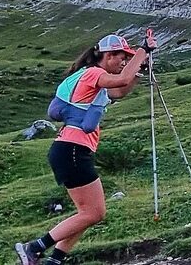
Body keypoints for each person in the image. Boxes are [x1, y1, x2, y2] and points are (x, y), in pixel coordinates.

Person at [15, 33, 156, 265]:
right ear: (108, 55)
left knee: (88, 214)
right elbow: (121, 80)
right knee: (94, 213)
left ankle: (53, 261)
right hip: (72, 150)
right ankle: (33, 248)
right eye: (122, 58)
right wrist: (143, 51)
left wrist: (138, 69)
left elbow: (119, 91)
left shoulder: (95, 81)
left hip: (71, 150)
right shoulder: (94, 73)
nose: (123, 62)